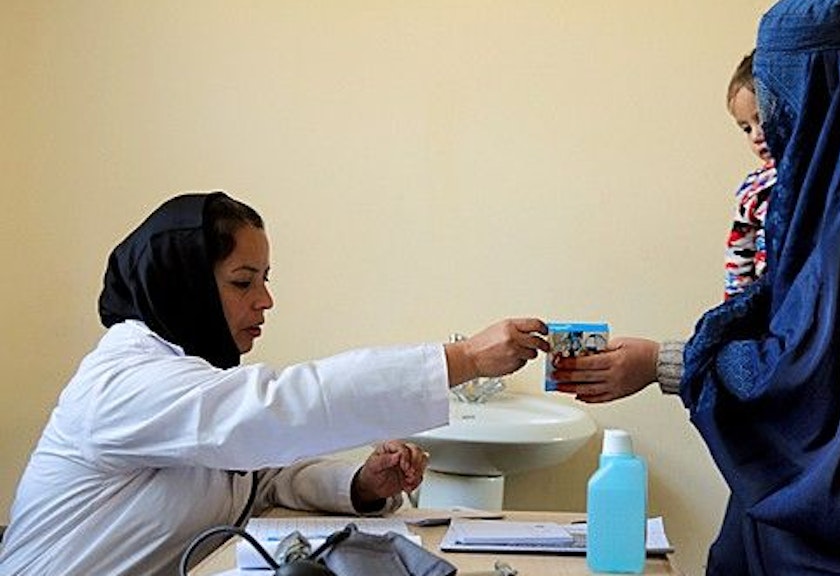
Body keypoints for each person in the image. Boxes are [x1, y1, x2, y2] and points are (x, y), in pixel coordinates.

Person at [552, 0, 840, 573]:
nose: (771, 127)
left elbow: (806, 380)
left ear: (825, 91)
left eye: (782, 104)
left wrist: (666, 363)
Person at [0, 191, 550, 575]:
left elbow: (256, 478)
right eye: (244, 282)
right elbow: (275, 410)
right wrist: (465, 358)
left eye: (266, 280)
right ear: (183, 286)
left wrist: (361, 484)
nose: (265, 301)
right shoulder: (121, 382)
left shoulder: (194, 375)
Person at [723, 50, 776, 300]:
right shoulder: (754, 190)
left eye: (762, 119)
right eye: (746, 128)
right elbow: (738, 254)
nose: (756, 135)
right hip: (764, 302)